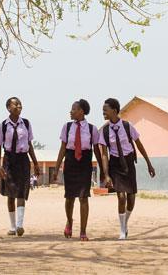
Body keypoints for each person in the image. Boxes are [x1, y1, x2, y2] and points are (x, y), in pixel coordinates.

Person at [96, 97, 155, 240]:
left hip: (129, 163)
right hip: (115, 165)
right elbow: (104, 154)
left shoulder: (128, 126)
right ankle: (122, 230)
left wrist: (148, 163)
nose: (103, 112)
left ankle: (125, 222)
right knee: (121, 197)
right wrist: (106, 174)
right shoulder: (104, 131)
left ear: (114, 110)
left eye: (106, 109)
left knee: (131, 198)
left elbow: (139, 145)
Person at [54, 99, 101, 241]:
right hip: (70, 162)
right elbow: (63, 148)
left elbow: (97, 150)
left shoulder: (92, 129)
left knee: (83, 197)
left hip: (85, 164)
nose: (71, 111)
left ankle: (83, 231)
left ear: (81, 111)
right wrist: (56, 169)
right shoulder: (67, 127)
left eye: (73, 109)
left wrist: (104, 170)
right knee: (69, 197)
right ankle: (69, 221)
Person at [0, 96, 41, 236]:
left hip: (23, 160)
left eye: (20, 104)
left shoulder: (26, 124)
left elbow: (30, 145)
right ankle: (13, 226)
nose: (19, 106)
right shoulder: (3, 125)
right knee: (10, 193)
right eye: (16, 104)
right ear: (9, 107)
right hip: (9, 160)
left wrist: (36, 163)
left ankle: (20, 225)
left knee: (21, 191)